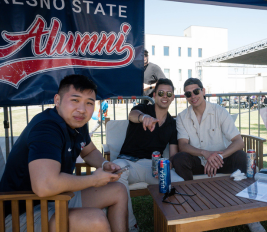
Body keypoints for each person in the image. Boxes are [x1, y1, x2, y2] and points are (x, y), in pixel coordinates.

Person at [0, 75, 128, 232]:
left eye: (89, 103)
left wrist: (104, 164)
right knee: (95, 220)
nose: (82, 109)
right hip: (21, 212)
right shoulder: (46, 129)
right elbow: (44, 186)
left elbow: (89, 151)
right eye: (75, 100)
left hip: (57, 198)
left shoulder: (78, 123)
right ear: (57, 100)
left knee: (118, 190)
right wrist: (94, 180)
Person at [172, 78, 265, 232]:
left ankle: (251, 215)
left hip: (222, 161)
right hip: (199, 162)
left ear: (203, 91)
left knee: (241, 156)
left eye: (196, 91)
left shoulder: (219, 111)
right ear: (185, 97)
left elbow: (238, 142)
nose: (193, 96)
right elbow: (183, 145)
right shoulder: (182, 116)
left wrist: (219, 156)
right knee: (179, 159)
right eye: (188, 94)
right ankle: (191, 210)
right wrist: (205, 154)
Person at [113, 78, 184, 231]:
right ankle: (131, 226)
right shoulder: (144, 109)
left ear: (172, 97)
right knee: (117, 172)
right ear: (154, 95)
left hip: (152, 166)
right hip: (128, 162)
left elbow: (172, 155)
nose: (164, 96)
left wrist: (167, 165)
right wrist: (143, 118)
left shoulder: (172, 124)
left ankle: (173, 223)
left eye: (168, 93)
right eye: (161, 93)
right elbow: (133, 115)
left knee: (179, 182)